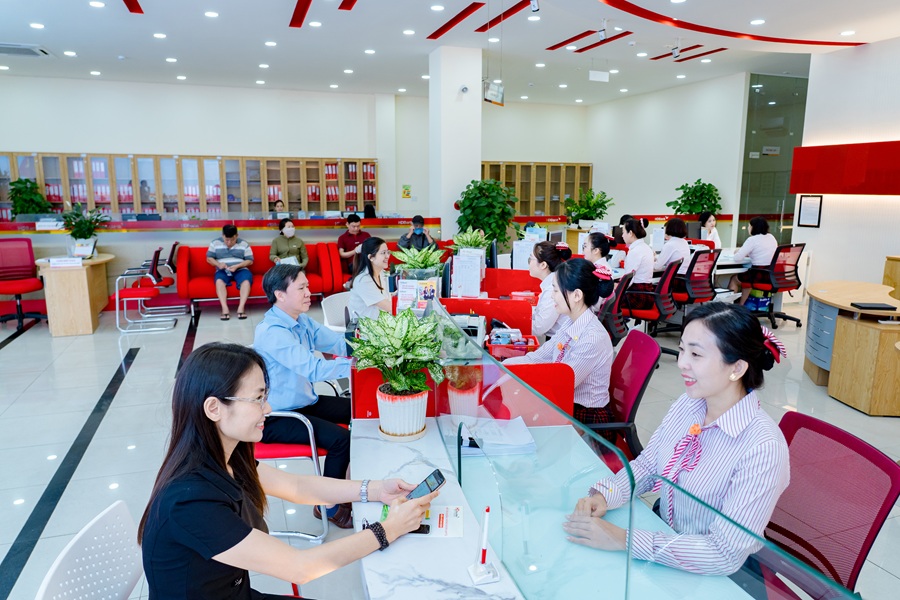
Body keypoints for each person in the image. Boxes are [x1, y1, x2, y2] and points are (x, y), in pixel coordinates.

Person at [138, 342, 438, 598]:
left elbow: (297, 487)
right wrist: (388, 530)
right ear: (214, 408)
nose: (268, 409)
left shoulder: (228, 455)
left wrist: (375, 489)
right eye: (257, 399)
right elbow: (299, 567)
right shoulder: (190, 500)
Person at [563, 302, 789, 576]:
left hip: (721, 573)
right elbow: (648, 465)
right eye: (682, 350)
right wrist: (606, 495)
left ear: (737, 368)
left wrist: (621, 539)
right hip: (667, 535)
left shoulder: (763, 447)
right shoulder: (689, 404)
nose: (681, 363)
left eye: (696, 354)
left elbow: (724, 554)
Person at [253, 264, 355, 527]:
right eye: (301, 288)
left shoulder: (301, 321)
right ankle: (328, 505)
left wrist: (368, 346)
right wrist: (356, 365)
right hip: (277, 415)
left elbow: (337, 344)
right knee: (341, 440)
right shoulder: (273, 332)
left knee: (357, 411)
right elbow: (313, 369)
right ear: (280, 295)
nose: (309, 292)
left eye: (307, 286)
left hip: (304, 402)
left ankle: (345, 485)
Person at [505, 259, 615, 428]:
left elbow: (561, 385)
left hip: (586, 417)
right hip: (564, 403)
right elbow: (538, 357)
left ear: (576, 295)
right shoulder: (570, 322)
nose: (552, 296)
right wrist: (503, 366)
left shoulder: (592, 339)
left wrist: (516, 376)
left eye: (556, 290)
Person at [207, 224, 253, 320]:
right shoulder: (215, 243)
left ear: (237, 236)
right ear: (223, 235)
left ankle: (241, 308)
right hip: (222, 270)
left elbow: (250, 261)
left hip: (240, 269)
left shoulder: (244, 244)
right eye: (226, 240)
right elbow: (209, 258)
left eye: (232, 240)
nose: (229, 243)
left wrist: (237, 266)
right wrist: (218, 264)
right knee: (219, 281)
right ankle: (224, 308)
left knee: (246, 281)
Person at [729, 216, 779, 305]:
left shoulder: (752, 239)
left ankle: (731, 308)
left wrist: (738, 251)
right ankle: (741, 305)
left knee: (735, 279)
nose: (748, 228)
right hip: (771, 276)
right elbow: (764, 252)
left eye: (749, 226)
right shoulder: (771, 237)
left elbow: (737, 258)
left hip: (758, 274)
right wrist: (749, 253)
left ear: (753, 227)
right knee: (747, 279)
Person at [528, 241, 573, 338]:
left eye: (530, 259)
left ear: (543, 265)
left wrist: (512, 325)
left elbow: (538, 328)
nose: (528, 263)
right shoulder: (554, 281)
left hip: (561, 341)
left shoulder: (552, 289)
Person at [347, 237, 392, 321]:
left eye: (387, 252)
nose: (387, 256)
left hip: (380, 321)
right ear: (371, 257)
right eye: (383, 253)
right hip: (364, 326)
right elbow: (389, 307)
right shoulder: (363, 281)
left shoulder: (381, 273)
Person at [621, 218, 656, 310]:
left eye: (623, 232)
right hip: (646, 295)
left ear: (630, 233)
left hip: (637, 297)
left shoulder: (635, 251)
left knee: (605, 301)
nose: (622, 235)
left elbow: (628, 281)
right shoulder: (646, 247)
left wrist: (615, 287)